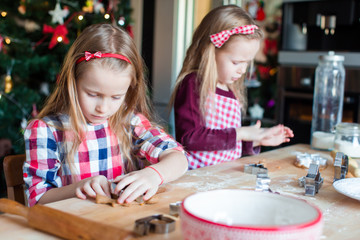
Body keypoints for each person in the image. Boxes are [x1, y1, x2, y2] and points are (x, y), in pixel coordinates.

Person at [23, 23, 188, 207]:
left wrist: (153, 175)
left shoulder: (129, 122)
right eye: (93, 94)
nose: (103, 108)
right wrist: (80, 187)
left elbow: (179, 158)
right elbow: (36, 199)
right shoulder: (46, 131)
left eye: (116, 97)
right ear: (73, 81)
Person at [169, 5, 293, 170]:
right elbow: (190, 138)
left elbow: (227, 146)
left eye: (247, 63)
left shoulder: (231, 90)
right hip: (198, 177)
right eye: (236, 62)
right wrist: (241, 132)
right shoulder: (194, 83)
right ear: (210, 52)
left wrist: (258, 139)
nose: (243, 70)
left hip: (224, 175)